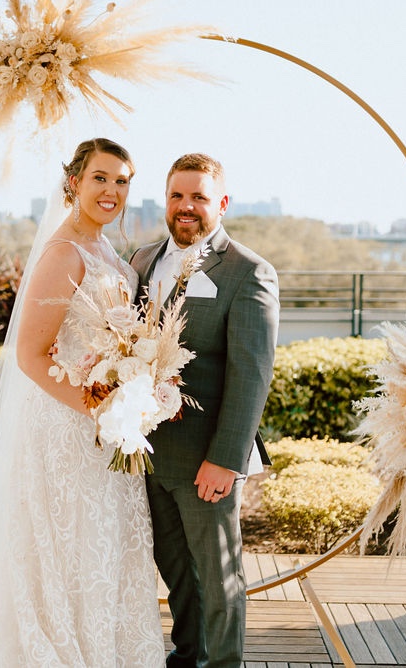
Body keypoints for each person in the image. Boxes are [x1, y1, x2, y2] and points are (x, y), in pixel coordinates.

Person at [0, 138, 164, 667]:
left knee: (103, 548)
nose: (111, 191)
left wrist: (132, 395)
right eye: (100, 178)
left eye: (122, 181)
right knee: (68, 548)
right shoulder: (63, 253)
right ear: (74, 182)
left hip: (109, 429)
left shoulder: (106, 251)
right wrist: (98, 408)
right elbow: (30, 356)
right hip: (69, 427)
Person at [129, 153, 280, 667]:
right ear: (165, 200)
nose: (186, 206)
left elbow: (251, 374)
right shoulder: (142, 260)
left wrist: (226, 458)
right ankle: (186, 657)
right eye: (177, 195)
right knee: (176, 573)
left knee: (219, 576)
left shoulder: (247, 271)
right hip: (149, 454)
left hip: (206, 460)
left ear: (222, 202)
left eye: (198, 196)